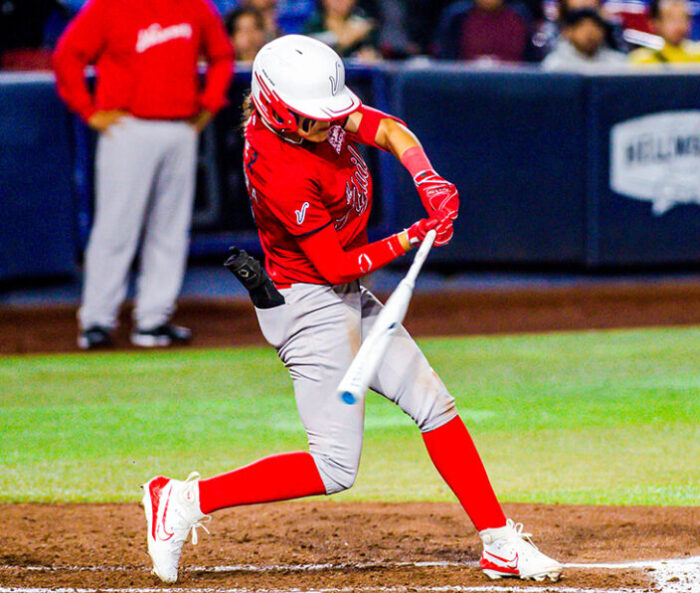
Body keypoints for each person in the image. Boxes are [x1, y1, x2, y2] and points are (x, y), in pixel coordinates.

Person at [140, 34, 563, 585]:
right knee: (334, 467)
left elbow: (387, 128)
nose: (331, 125)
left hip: (341, 294)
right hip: (310, 306)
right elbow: (335, 265)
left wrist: (426, 176)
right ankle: (181, 500)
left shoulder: (313, 112)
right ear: (280, 112)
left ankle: (499, 542)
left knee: (434, 404)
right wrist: (414, 235)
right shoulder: (278, 166)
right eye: (318, 120)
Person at [53, 0, 234, 349]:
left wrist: (210, 103)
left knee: (169, 230)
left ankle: (153, 320)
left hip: (180, 126)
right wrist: (87, 110)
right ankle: (97, 321)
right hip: (127, 127)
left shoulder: (194, 7)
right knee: (115, 228)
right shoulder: (108, 7)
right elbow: (67, 57)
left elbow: (222, 56)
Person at [434, 0, 534, 62]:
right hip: (465, 83)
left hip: (514, 84)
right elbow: (445, 57)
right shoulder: (457, 18)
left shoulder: (519, 17)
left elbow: (531, 60)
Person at [629, 0, 700, 67]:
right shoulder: (642, 60)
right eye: (671, 19)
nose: (679, 25)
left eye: (683, 18)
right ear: (655, 23)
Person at [540, 7, 626, 71]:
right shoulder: (554, 64)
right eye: (582, 26)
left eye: (595, 27)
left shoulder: (618, 63)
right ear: (568, 32)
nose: (590, 33)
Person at [304, 0, 382, 61]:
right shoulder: (313, 25)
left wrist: (371, 57)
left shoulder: (363, 25)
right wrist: (344, 39)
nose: (339, 1)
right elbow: (309, 52)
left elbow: (375, 55)